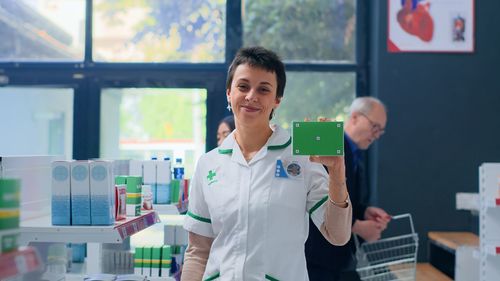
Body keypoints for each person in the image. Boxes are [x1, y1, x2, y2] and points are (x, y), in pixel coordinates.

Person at [181, 46, 353, 281]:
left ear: (277, 100)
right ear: (229, 92)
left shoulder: (301, 158)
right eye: (243, 86)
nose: (252, 96)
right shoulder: (209, 164)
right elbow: (198, 252)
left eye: (263, 89)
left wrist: (337, 173)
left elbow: (338, 234)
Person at [305, 97, 391, 281]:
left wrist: (364, 211)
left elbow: (345, 197)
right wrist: (357, 227)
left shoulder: (357, 154)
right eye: (374, 127)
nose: (376, 135)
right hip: (314, 258)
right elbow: (312, 197)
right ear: (354, 117)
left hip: (337, 259)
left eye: (380, 131)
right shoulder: (325, 142)